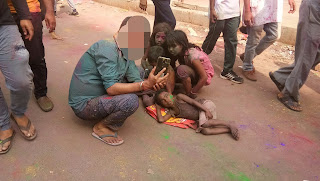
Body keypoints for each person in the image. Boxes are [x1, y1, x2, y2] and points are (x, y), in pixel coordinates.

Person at [68, 16, 169, 146]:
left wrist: (152, 85)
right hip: (84, 104)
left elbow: (136, 79)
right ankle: (101, 127)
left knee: (139, 71)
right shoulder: (107, 48)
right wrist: (145, 85)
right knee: (130, 101)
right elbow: (111, 88)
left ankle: (110, 110)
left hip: (100, 94)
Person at [269, 0, 320, 112]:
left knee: (315, 54)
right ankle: (288, 94)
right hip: (314, 7)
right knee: (307, 54)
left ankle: (281, 77)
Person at [0, 0, 37, 154]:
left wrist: (24, 15)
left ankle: (18, 112)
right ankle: (3, 123)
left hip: (3, 23)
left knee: (21, 79)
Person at [8, 0, 56, 112]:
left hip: (31, 11)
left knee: (36, 56)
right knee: (9, 58)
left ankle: (41, 93)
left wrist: (50, 11)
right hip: (5, 14)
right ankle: (17, 92)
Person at [241, 0, 296, 81]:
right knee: (253, 39)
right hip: (257, 6)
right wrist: (247, 11)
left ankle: (248, 56)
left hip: (273, 7)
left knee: (274, 35)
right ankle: (247, 66)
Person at [154, 90, 239, 140]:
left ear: (170, 94)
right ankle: (229, 129)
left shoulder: (179, 97)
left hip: (205, 105)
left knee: (205, 124)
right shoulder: (172, 112)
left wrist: (206, 110)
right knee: (205, 131)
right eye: (163, 101)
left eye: (166, 96)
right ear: (162, 105)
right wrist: (158, 108)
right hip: (202, 116)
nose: (167, 100)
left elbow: (193, 102)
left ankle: (229, 124)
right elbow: (161, 120)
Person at [202, 0, 243, 84]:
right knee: (212, 38)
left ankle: (227, 71)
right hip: (219, 10)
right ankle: (197, 60)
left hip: (234, 12)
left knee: (232, 41)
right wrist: (212, 9)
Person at [166, 30, 214, 98]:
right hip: (194, 73)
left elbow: (204, 77)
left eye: (173, 46)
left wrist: (193, 92)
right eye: (169, 46)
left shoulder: (192, 55)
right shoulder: (179, 52)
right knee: (173, 71)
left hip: (202, 77)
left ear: (182, 44)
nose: (170, 49)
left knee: (181, 69)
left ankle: (188, 94)